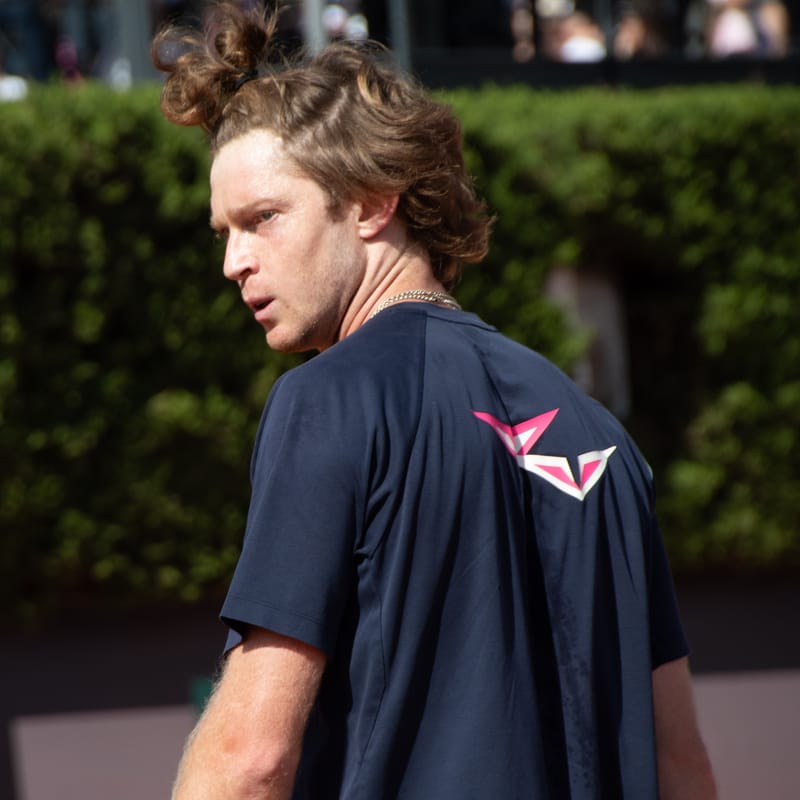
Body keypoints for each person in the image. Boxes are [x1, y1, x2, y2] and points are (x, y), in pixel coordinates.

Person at [152, 2, 718, 798]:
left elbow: (249, 761)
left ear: (374, 201)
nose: (234, 262)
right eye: (224, 233)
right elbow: (681, 765)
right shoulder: (605, 440)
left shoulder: (327, 402)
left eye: (263, 219)